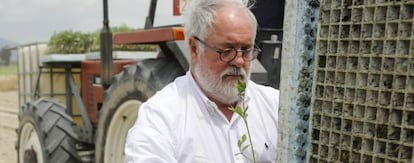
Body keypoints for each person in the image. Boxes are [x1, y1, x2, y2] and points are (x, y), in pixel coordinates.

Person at [124, 0, 279, 162]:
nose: (239, 61)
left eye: (246, 50)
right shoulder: (160, 118)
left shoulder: (275, 107)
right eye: (226, 50)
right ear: (194, 48)